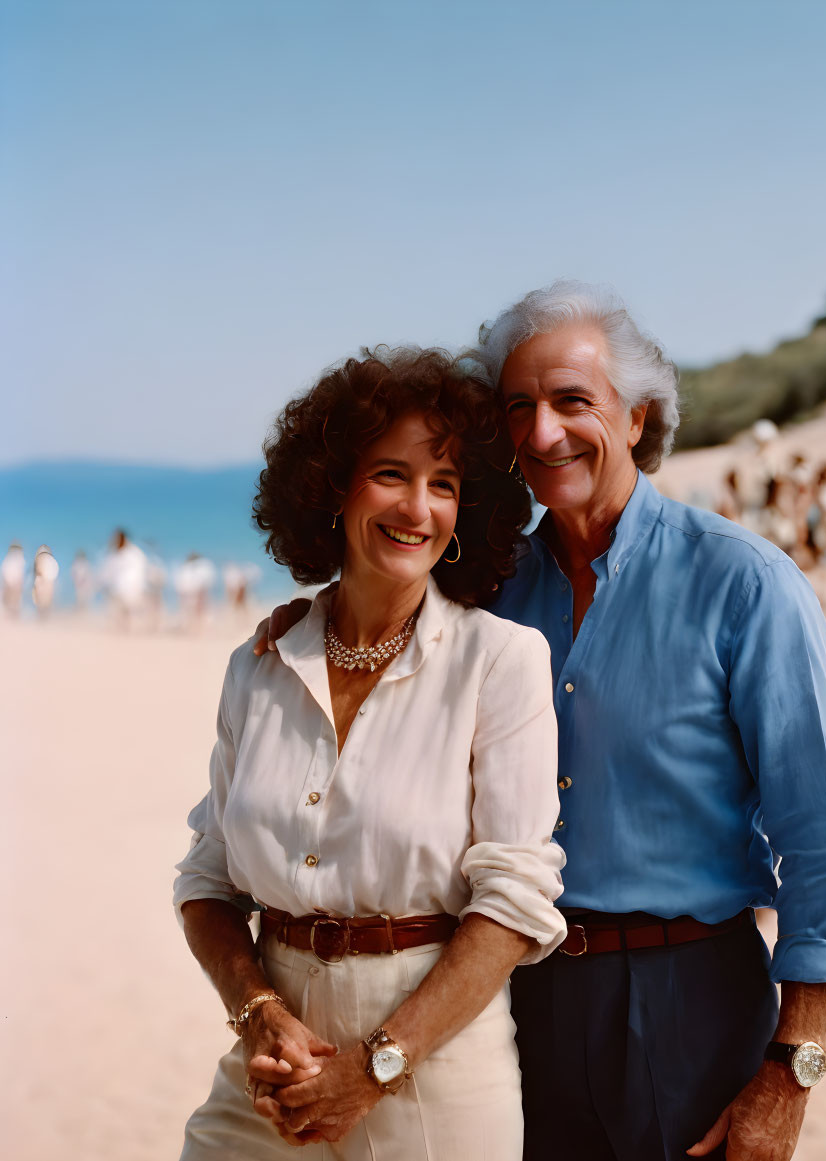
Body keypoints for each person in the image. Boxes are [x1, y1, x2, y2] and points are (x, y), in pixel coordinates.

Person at [259, 284, 826, 1161]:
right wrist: (302, 621)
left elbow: (825, 849)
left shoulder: (743, 585)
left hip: (688, 998)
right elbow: (377, 610)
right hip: (513, 997)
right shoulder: (489, 588)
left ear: (636, 418)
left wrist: (789, 1072)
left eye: (572, 401)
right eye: (519, 407)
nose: (543, 432)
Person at [175, 346, 566, 1160]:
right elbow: (206, 881)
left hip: (435, 1070)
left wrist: (378, 1061)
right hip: (273, 1062)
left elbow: (514, 898)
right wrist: (257, 1011)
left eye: (445, 484)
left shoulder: (501, 660)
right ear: (332, 485)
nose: (418, 507)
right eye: (391, 473)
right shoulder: (257, 667)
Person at [31, 544, 60, 617]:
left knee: (41, 597)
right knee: (46, 596)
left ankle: (43, 613)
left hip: (42, 578)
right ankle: (45, 613)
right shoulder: (50, 560)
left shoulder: (42, 559)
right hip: (45, 578)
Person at [1, 541, 26, 617]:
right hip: (11, 583)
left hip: (13, 583)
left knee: (14, 600)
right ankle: (12, 615)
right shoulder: (16, 558)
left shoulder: (16, 558)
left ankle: (13, 615)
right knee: (12, 600)